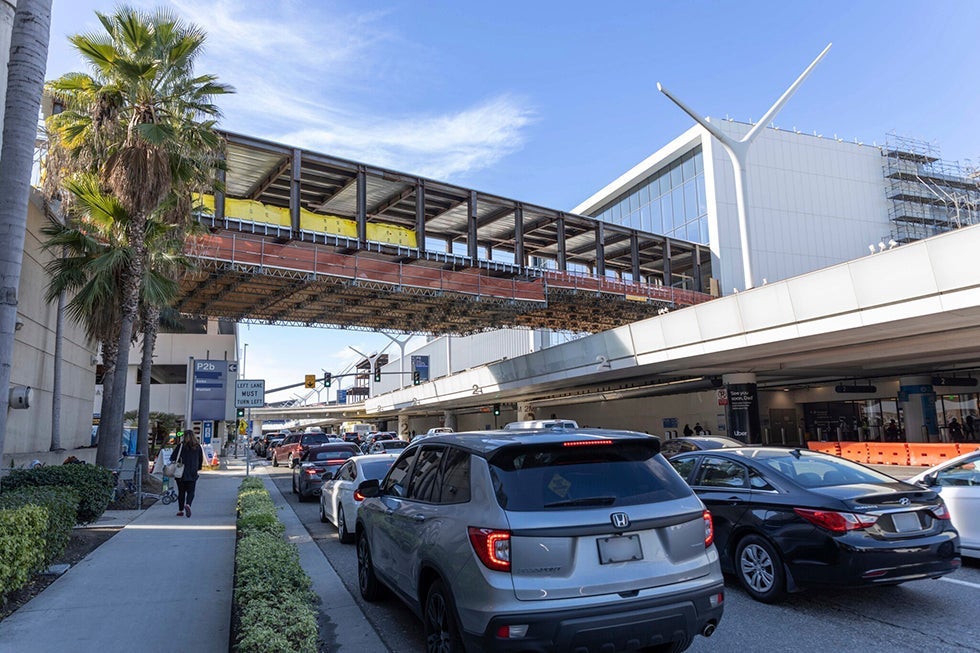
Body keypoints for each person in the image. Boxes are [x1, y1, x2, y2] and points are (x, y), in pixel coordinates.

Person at [170, 431, 204, 518]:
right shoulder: (197, 447)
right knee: (191, 491)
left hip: (180, 472)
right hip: (192, 472)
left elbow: (173, 457)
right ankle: (188, 504)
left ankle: (180, 510)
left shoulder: (181, 446)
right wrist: (198, 468)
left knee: (181, 492)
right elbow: (200, 459)